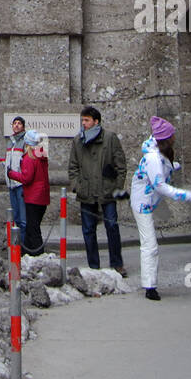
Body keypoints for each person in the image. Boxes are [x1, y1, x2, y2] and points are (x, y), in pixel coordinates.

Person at [130, 115, 191, 300]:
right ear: (166, 138)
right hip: (144, 202)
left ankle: (150, 283)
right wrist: (185, 194)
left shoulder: (157, 155)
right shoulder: (153, 158)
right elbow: (159, 184)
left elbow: (161, 171)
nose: (175, 137)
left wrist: (174, 166)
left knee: (149, 244)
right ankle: (150, 286)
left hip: (148, 200)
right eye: (172, 135)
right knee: (150, 245)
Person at [68, 105, 128, 275]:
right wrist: (77, 186)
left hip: (107, 192)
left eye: (86, 120)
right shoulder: (77, 141)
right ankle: (94, 266)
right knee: (88, 230)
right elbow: (72, 167)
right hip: (86, 192)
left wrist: (116, 188)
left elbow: (121, 166)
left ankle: (117, 263)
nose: (83, 123)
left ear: (96, 121)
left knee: (112, 227)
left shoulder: (110, 138)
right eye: (82, 120)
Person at [7, 130, 50, 254]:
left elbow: (27, 178)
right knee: (32, 227)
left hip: (33, 197)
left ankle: (38, 254)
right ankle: (26, 252)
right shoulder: (42, 155)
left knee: (33, 228)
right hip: (42, 196)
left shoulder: (29, 158)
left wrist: (12, 174)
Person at [4, 116, 28, 240]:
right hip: (11, 183)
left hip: (20, 183)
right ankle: (17, 246)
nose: (17, 125)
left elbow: (27, 162)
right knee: (16, 217)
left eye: (19, 123)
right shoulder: (10, 141)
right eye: (14, 123)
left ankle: (23, 246)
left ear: (23, 126)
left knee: (23, 219)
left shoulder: (25, 141)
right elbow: (7, 161)